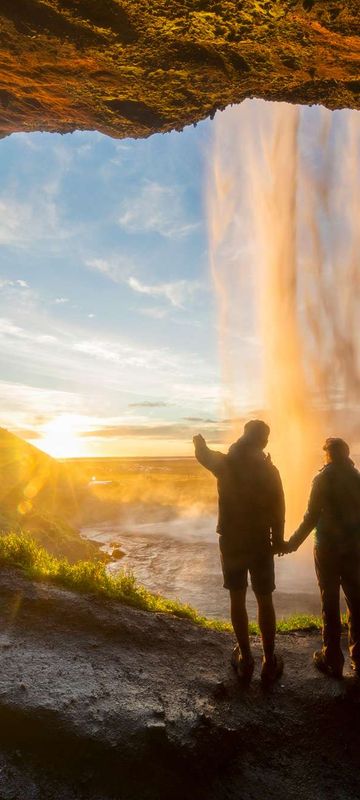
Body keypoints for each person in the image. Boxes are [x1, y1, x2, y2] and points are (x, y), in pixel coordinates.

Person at [193, 420, 285, 684]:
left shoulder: (227, 463)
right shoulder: (269, 469)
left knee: (237, 597)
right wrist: (278, 540)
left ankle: (245, 658)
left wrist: (199, 442)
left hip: (232, 540)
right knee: (265, 599)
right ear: (264, 441)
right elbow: (280, 508)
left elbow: (203, 455)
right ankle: (269, 661)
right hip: (260, 541)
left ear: (244, 436)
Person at [284, 437, 360, 679]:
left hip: (327, 548)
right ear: (346, 454)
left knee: (329, 600)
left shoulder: (322, 478)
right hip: (354, 548)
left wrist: (292, 544)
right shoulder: (357, 478)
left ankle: (332, 659)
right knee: (357, 601)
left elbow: (310, 516)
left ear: (328, 455)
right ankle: (358, 658)